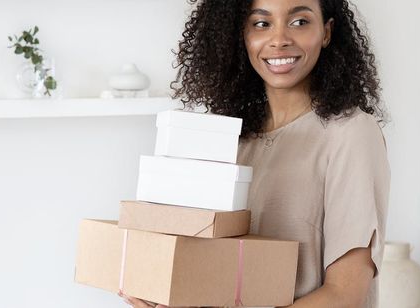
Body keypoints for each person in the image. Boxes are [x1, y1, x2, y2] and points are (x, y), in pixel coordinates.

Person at [121, 0, 390, 307]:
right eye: (261, 24)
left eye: (299, 22)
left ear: (326, 32)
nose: (279, 39)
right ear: (241, 36)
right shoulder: (235, 141)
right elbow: (216, 272)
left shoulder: (351, 134)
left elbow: (346, 294)